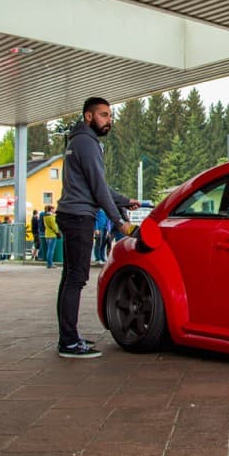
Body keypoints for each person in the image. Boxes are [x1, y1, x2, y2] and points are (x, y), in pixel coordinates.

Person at [55, 97, 140, 358]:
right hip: (79, 217)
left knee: (69, 278)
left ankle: (67, 338)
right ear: (88, 116)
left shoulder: (77, 141)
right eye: (103, 115)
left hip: (71, 214)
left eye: (110, 116)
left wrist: (124, 200)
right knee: (76, 279)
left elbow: (96, 186)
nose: (109, 121)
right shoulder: (87, 143)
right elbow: (98, 188)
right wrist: (120, 222)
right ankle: (69, 343)